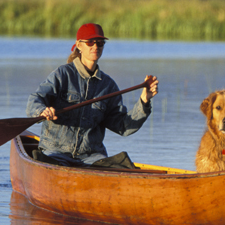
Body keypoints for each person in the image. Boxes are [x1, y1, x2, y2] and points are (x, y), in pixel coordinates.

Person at [26, 23, 159, 167]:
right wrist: (42, 110)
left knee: (125, 167)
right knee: (45, 161)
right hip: (55, 154)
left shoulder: (109, 86)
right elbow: (36, 99)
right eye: (90, 42)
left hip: (92, 158)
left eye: (100, 43)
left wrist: (144, 101)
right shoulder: (62, 74)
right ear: (79, 45)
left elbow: (124, 127)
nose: (95, 46)